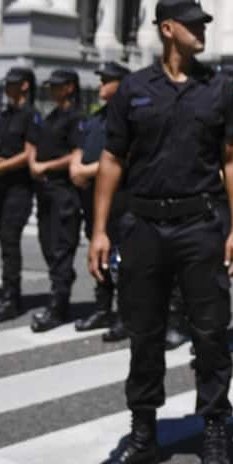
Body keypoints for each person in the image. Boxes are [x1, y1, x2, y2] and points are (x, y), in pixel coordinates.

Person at [88, 0, 233, 464]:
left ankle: (215, 430)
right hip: (143, 226)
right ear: (168, 29)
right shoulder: (133, 89)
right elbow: (112, 161)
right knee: (144, 332)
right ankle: (143, 435)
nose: (203, 31)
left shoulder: (218, 89)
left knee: (211, 332)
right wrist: (98, 231)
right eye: (194, 25)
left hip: (199, 224)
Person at [73, 61, 131, 341]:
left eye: (107, 80)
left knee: (122, 257)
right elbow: (81, 147)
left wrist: (86, 170)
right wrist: (77, 168)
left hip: (120, 198)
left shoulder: (128, 117)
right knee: (99, 254)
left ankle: (124, 314)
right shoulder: (96, 118)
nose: (101, 85)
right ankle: (102, 307)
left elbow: (122, 158)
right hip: (92, 197)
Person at [27, 68, 84, 332]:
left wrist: (46, 166)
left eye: (57, 86)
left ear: (70, 87)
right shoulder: (51, 116)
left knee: (61, 248)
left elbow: (76, 154)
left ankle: (58, 305)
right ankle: (61, 284)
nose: (52, 90)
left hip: (63, 192)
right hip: (46, 192)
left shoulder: (75, 118)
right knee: (48, 245)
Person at [0, 66, 37, 323]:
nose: (7, 88)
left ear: (25, 85)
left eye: (13, 84)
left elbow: (29, 154)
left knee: (10, 242)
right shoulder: (5, 114)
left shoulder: (30, 115)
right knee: (5, 244)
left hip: (18, 189)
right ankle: (7, 293)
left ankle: (12, 298)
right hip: (0, 188)